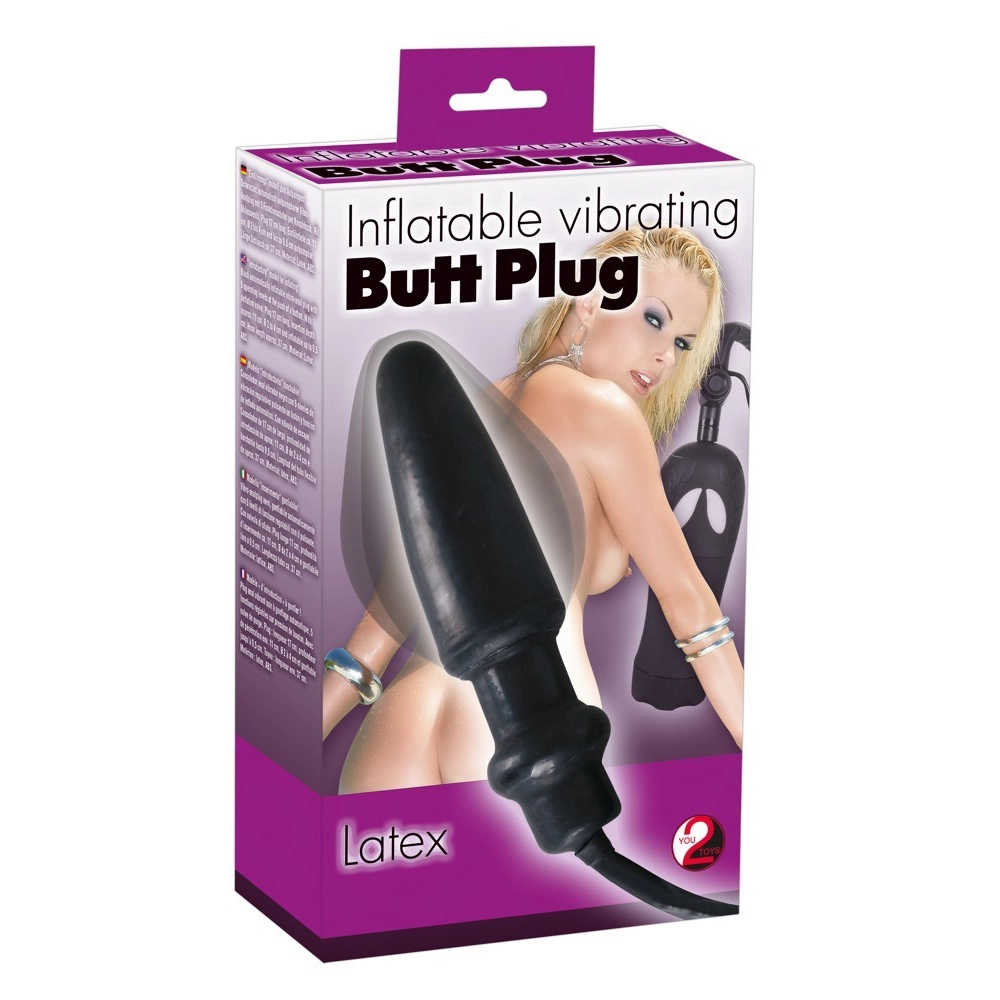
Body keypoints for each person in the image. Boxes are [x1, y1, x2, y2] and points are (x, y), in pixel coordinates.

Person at [323, 226, 744, 791]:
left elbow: (378, 629)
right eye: (654, 318)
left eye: (684, 343)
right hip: (523, 719)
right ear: (591, 300)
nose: (667, 355)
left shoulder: (466, 405)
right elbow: (692, 609)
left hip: (398, 726)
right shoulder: (605, 411)